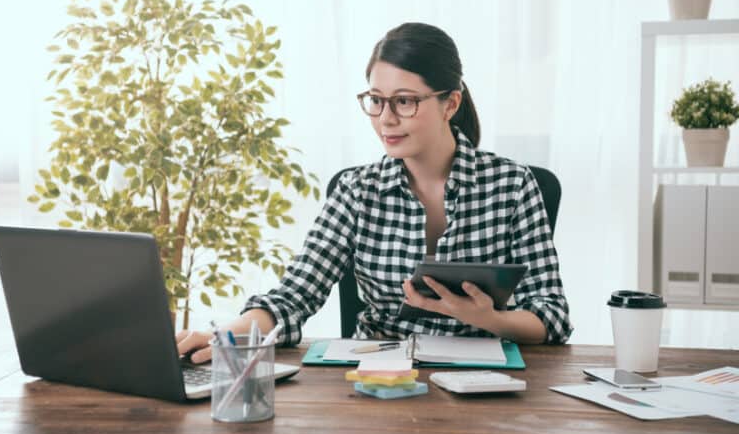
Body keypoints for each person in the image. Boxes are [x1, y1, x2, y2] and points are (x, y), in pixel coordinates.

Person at [177, 22, 573, 363]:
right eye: (376, 101)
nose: (386, 119)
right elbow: (293, 296)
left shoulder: (513, 185)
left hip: (484, 382)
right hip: (378, 379)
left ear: (450, 103)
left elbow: (552, 316)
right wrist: (228, 335)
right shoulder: (357, 191)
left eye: (404, 101)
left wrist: (490, 319)